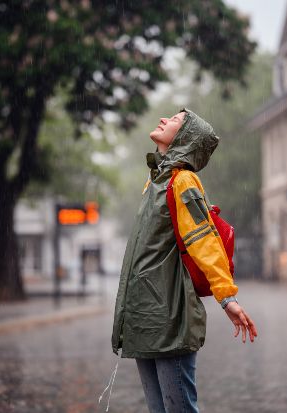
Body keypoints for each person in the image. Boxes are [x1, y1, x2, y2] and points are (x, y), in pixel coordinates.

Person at [110, 109, 257, 412]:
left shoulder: (183, 181)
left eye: (175, 121)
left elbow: (204, 241)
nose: (164, 120)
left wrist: (227, 298)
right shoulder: (154, 182)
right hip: (145, 316)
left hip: (170, 314)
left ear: (185, 138)